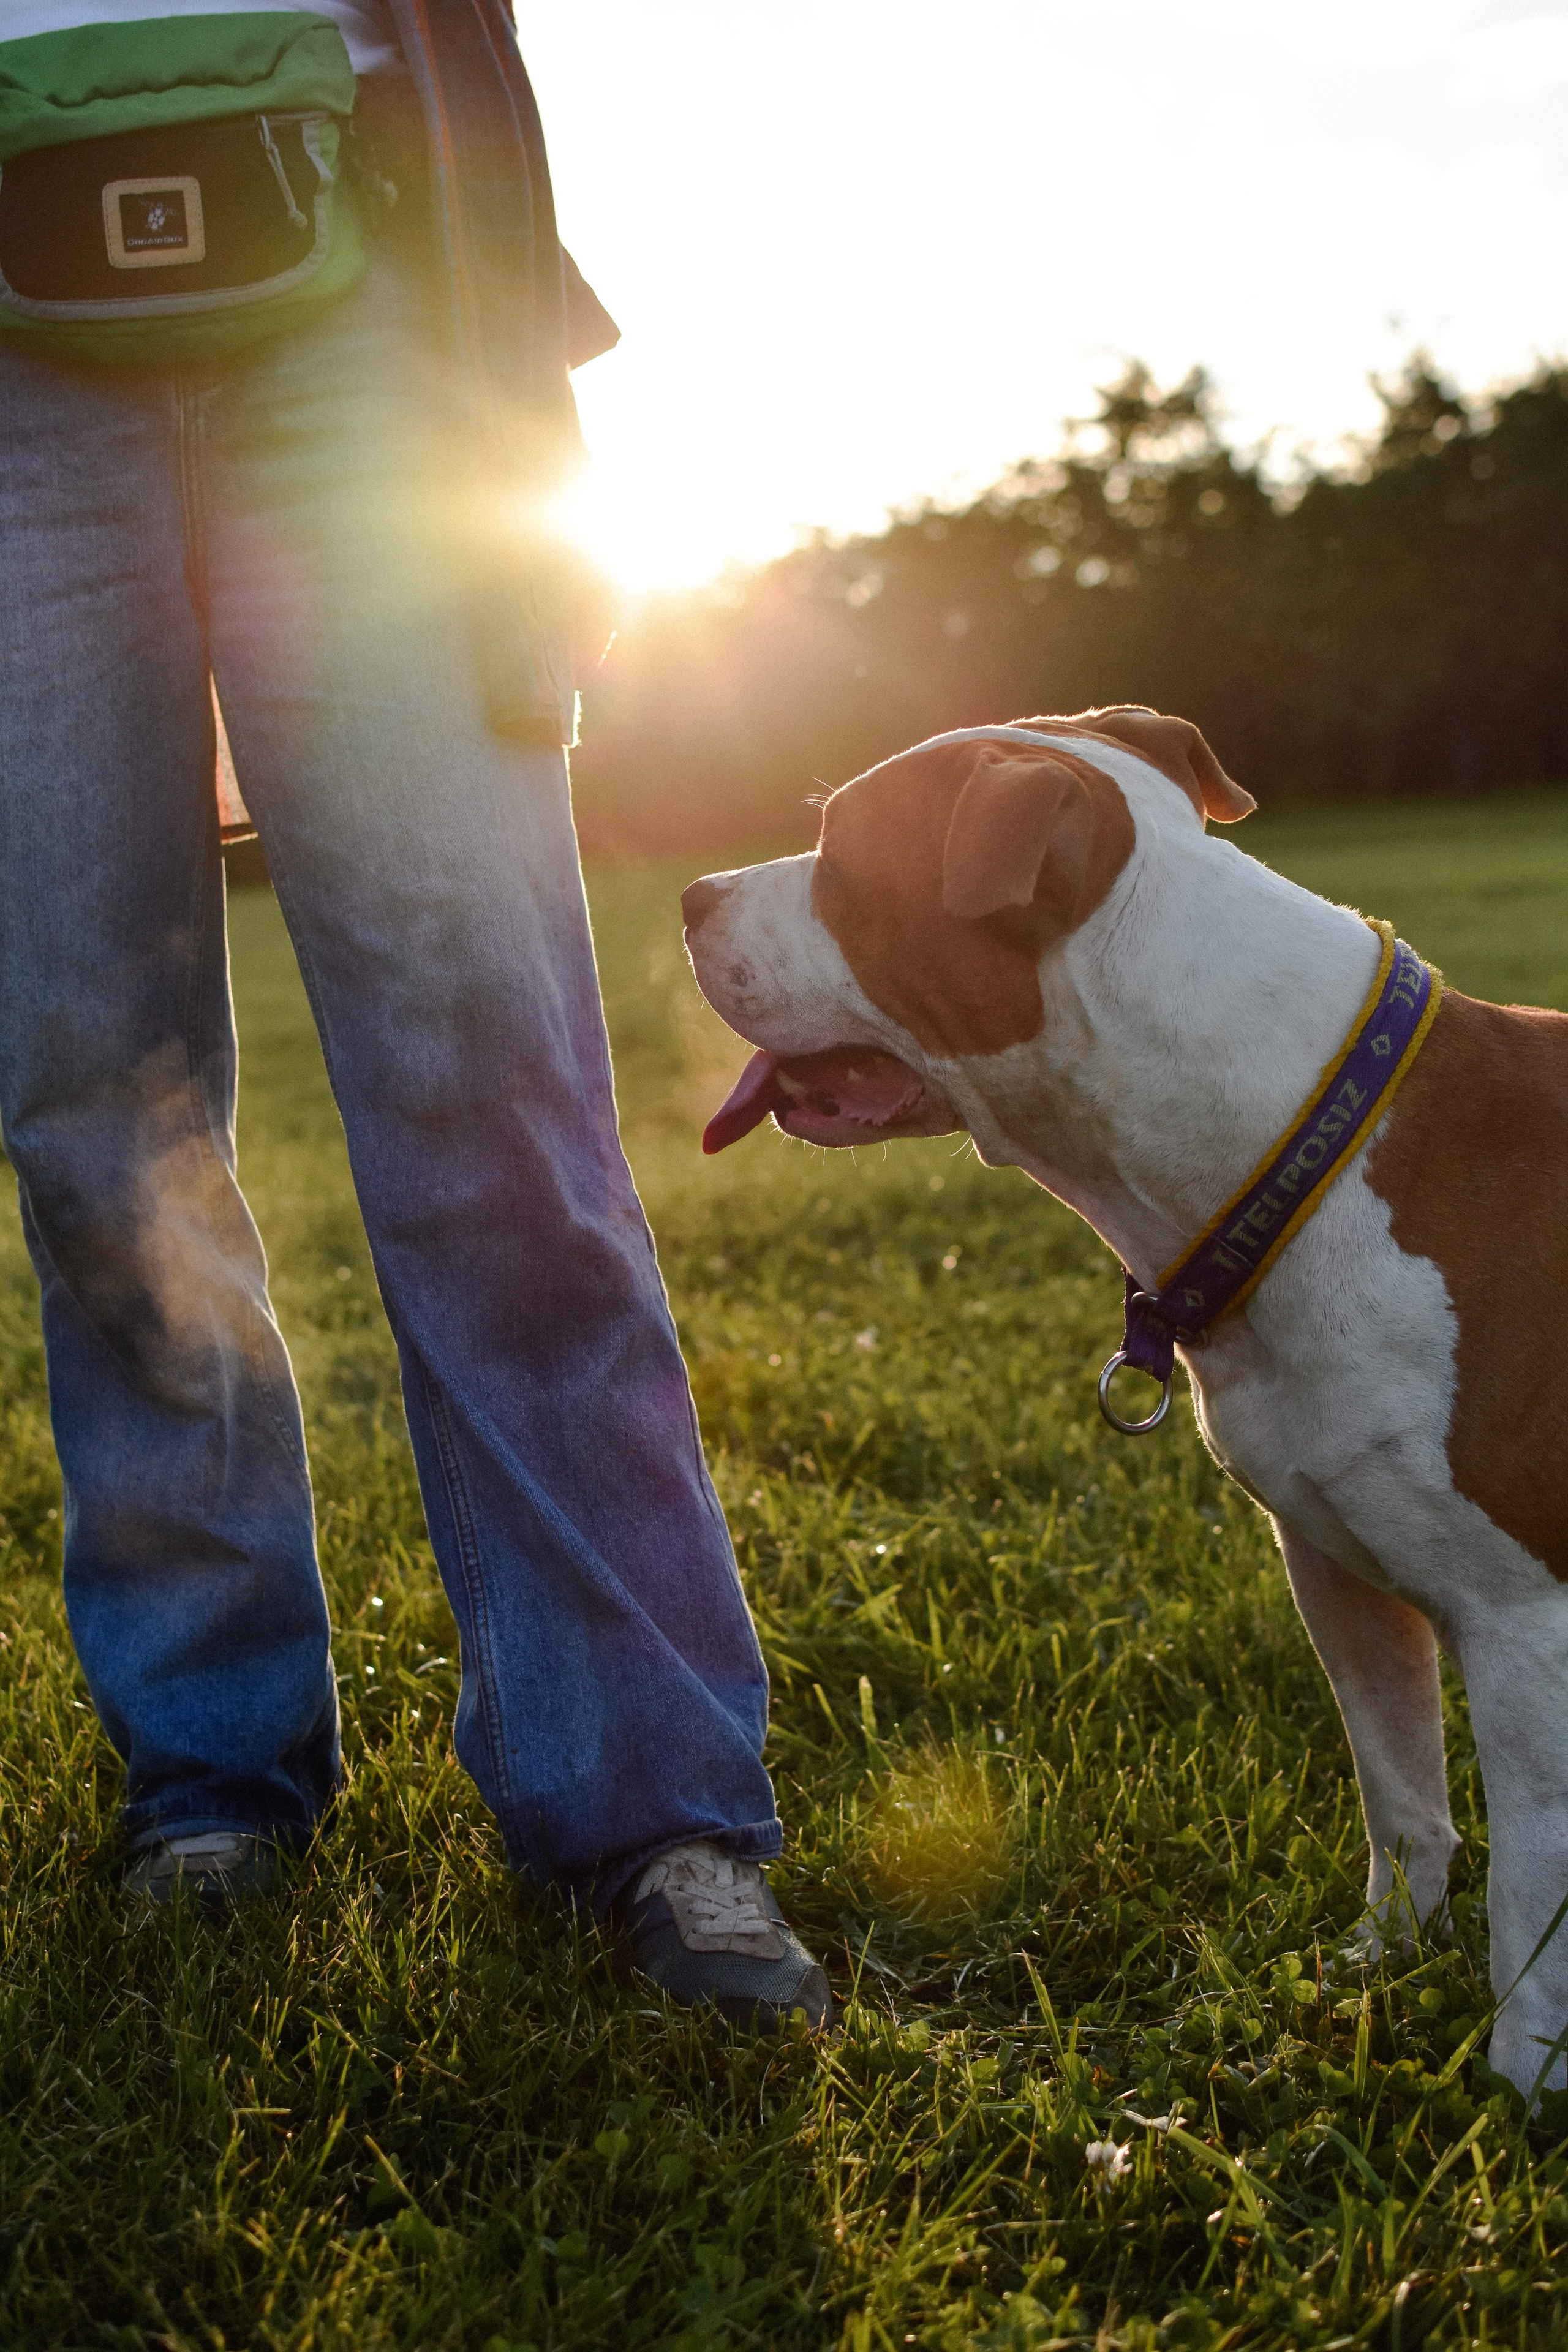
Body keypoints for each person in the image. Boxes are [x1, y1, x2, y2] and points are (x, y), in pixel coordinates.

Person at [0, 0, 830, 2034]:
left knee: (499, 1095)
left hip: (369, 279)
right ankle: (215, 1772)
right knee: (92, 1118)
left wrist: (524, 423)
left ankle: (649, 1798)